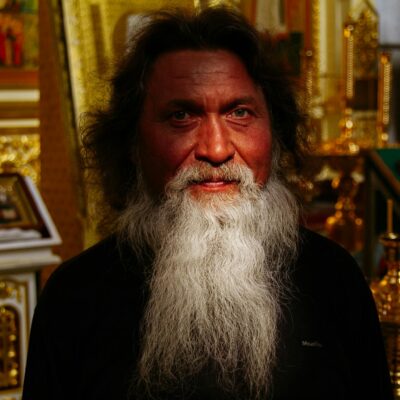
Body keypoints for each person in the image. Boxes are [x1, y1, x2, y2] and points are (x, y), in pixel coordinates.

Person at [22, 6, 392, 400]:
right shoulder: (75, 297)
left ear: (276, 135)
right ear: (131, 144)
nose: (215, 150)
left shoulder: (334, 280)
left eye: (240, 113)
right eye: (182, 115)